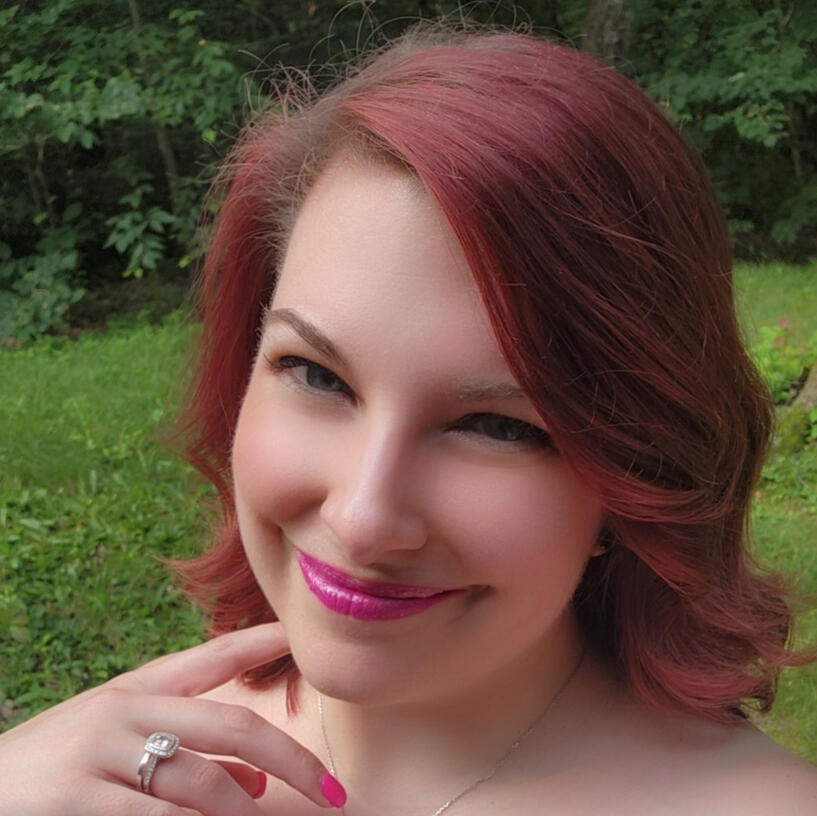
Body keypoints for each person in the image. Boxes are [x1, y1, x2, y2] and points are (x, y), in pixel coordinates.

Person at [2, 24, 816, 816]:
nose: (362, 519)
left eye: (498, 426)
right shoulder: (102, 777)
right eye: (315, 374)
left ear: (637, 470)